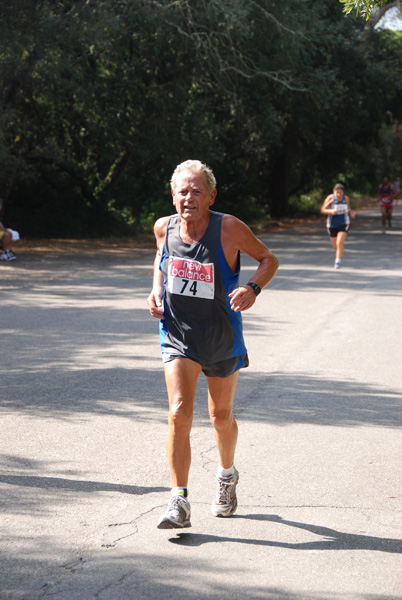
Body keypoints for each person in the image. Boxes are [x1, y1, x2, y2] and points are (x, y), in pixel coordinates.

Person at [147, 159, 279, 529]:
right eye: (182, 191)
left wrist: (252, 288)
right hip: (178, 333)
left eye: (196, 191)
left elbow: (269, 259)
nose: (188, 197)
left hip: (221, 334)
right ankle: (179, 500)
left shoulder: (229, 228)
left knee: (220, 417)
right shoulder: (164, 227)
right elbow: (161, 259)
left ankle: (226, 475)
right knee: (178, 412)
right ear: (173, 195)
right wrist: (155, 291)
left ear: (211, 196)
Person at [320, 183, 355, 270]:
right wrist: (331, 211)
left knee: (340, 242)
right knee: (335, 244)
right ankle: (340, 253)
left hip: (344, 222)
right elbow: (323, 210)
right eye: (337, 193)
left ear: (343, 192)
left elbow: (348, 209)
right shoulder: (330, 198)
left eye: (340, 192)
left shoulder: (346, 198)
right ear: (333, 192)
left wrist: (351, 212)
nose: (338, 195)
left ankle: (337, 262)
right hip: (332, 224)